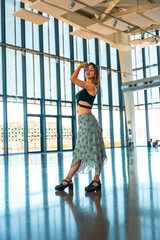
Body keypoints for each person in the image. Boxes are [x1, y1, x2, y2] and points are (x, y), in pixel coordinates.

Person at [55, 62, 107, 193]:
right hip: (83, 122)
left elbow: (72, 79)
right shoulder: (85, 88)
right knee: (80, 152)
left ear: (96, 74)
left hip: (88, 123)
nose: (88, 71)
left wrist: (79, 67)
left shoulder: (91, 86)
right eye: (87, 69)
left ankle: (93, 180)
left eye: (91, 70)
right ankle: (69, 180)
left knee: (93, 151)